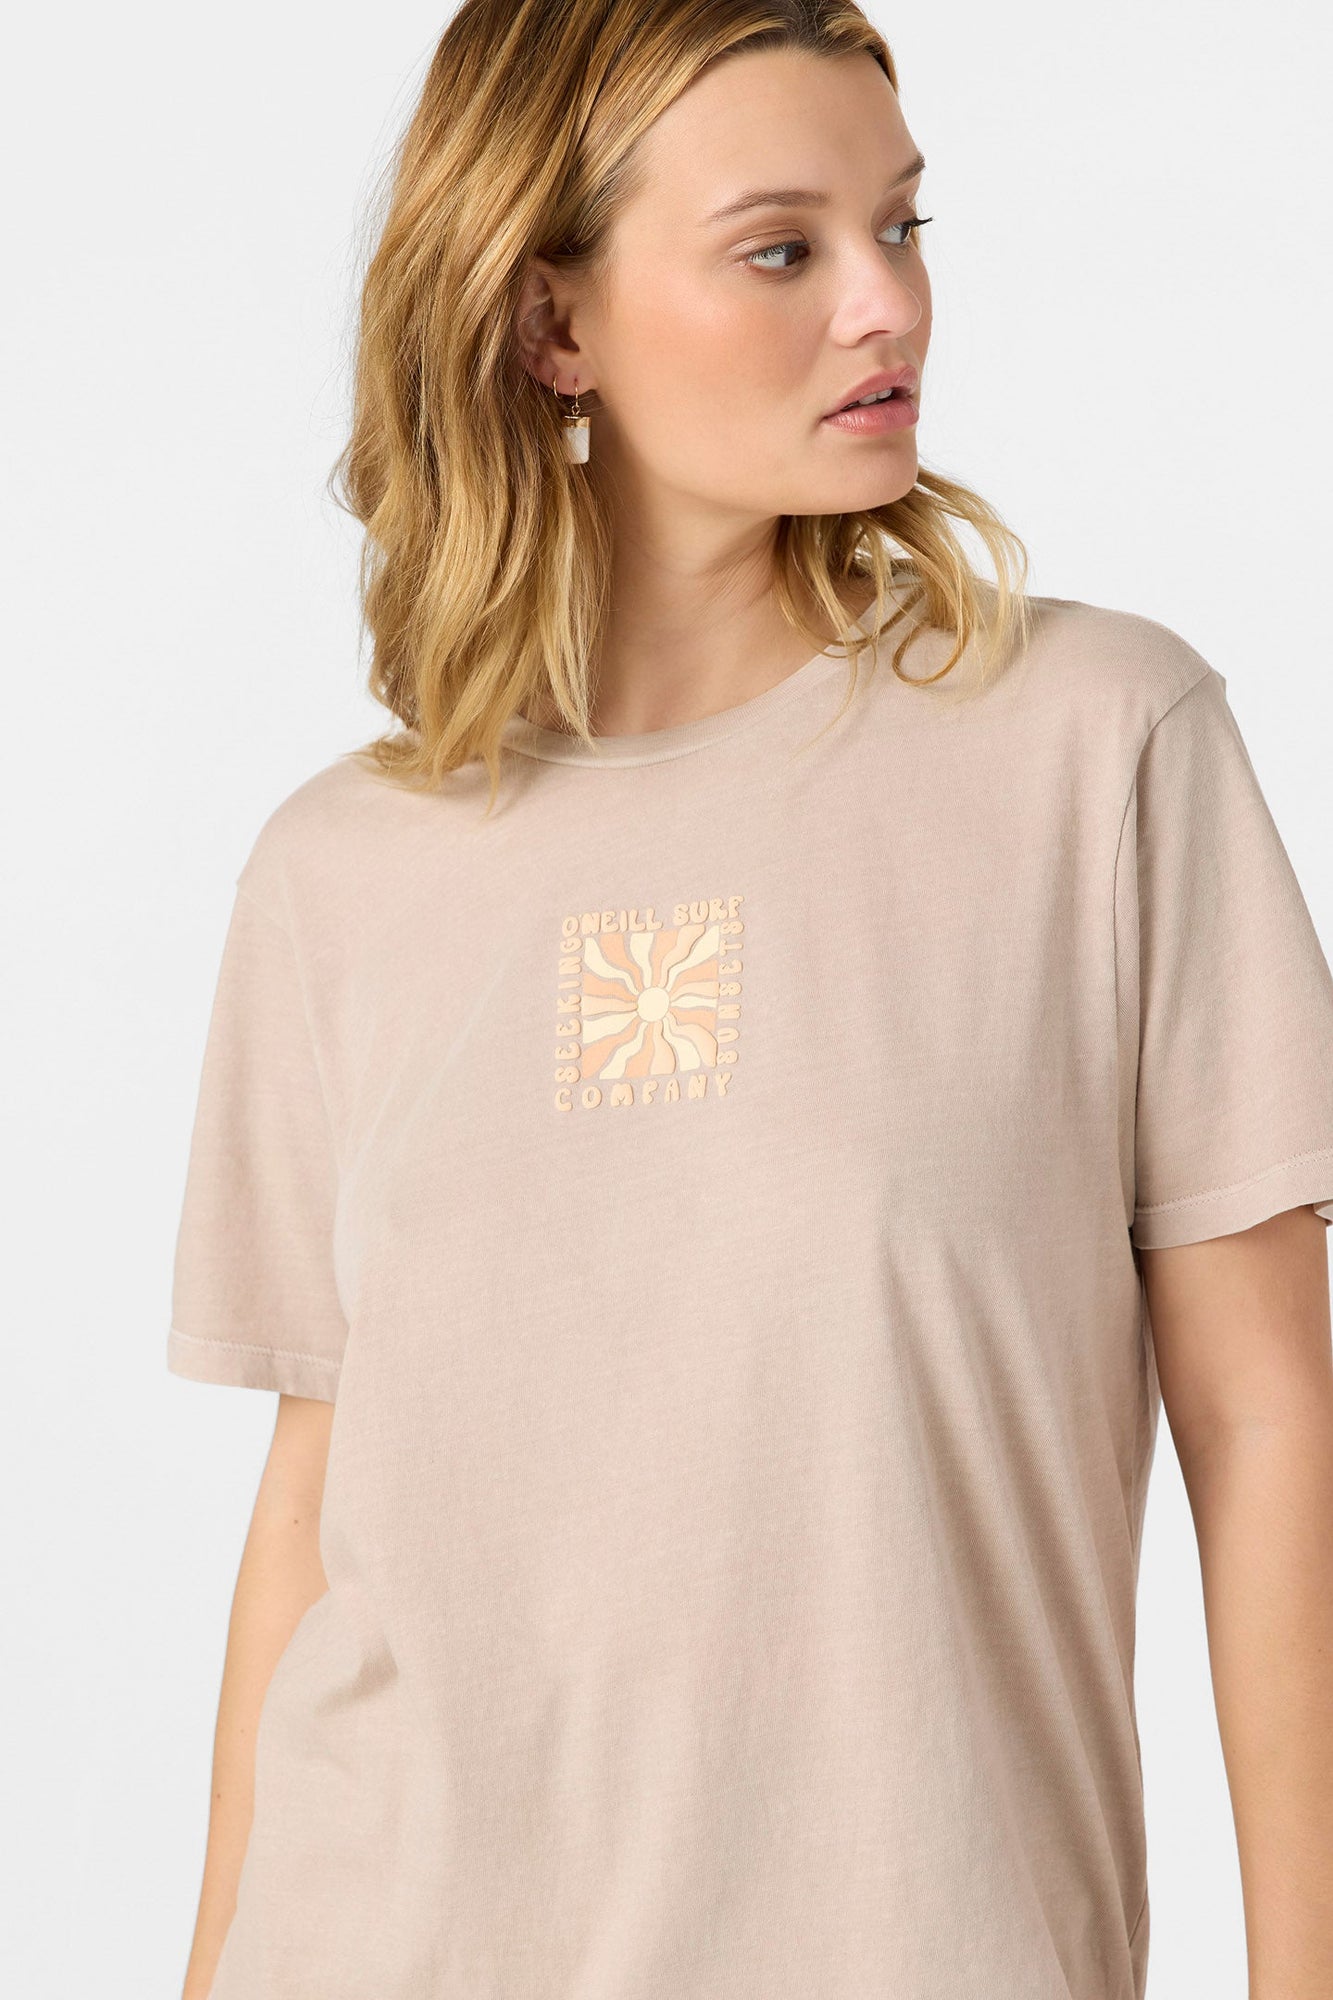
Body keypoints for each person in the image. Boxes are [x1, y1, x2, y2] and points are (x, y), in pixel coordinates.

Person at [166, 4, 1333, 1997]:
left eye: (902, 225)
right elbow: (313, 1506)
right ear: (553, 324)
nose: (888, 304)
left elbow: (1266, 1423)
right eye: (782, 247)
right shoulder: (338, 869)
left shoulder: (1097, 742)